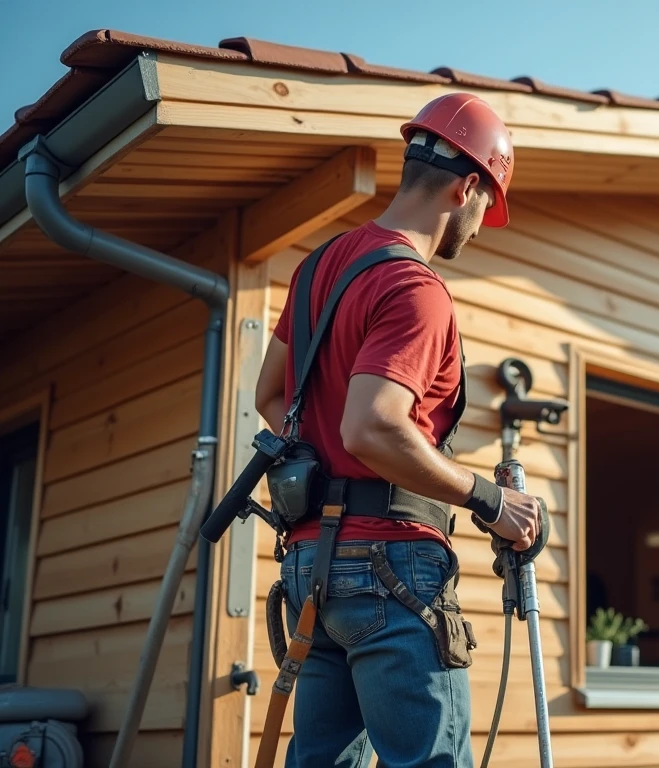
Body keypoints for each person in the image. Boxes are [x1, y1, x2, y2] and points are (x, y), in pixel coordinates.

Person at [253, 93, 545, 768]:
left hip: (310, 572)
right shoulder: (416, 288)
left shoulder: (320, 268)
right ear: (467, 186)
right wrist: (488, 499)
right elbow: (373, 428)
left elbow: (272, 396)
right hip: (392, 570)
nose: (475, 230)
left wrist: (329, 463)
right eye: (483, 210)